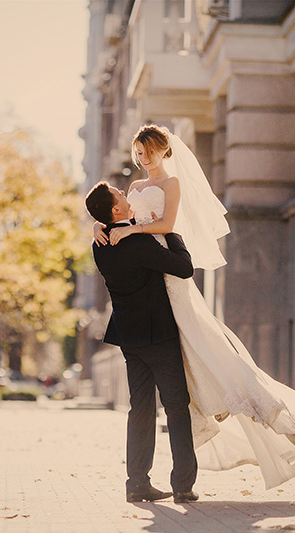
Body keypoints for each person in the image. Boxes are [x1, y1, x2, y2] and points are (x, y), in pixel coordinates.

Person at [93, 124, 295, 490]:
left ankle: (143, 480)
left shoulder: (168, 189)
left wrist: (120, 229)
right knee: (174, 401)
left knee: (172, 380)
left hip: (153, 293)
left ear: (162, 151)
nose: (141, 160)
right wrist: (105, 225)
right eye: (138, 153)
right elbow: (132, 224)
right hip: (155, 295)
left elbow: (163, 223)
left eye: (146, 152)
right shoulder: (132, 197)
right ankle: (178, 483)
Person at [85, 181, 200, 504]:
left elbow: (110, 225)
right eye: (120, 195)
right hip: (158, 334)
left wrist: (98, 224)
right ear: (117, 210)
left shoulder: (100, 243)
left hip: (128, 336)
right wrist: (173, 234)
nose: (125, 192)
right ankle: (183, 485)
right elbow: (184, 268)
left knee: (141, 408)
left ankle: (136, 483)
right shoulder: (140, 244)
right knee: (176, 406)